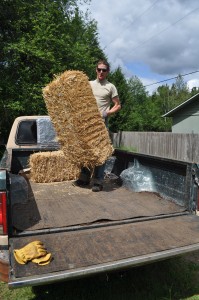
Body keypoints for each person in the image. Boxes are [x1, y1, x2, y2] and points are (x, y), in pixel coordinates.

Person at [76, 59, 121, 192]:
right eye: (99, 69)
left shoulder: (110, 87)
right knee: (86, 151)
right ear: (96, 70)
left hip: (101, 126)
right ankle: (84, 178)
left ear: (107, 72)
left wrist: (107, 113)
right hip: (87, 125)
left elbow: (118, 105)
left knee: (100, 154)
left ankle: (98, 181)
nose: (101, 72)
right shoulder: (88, 84)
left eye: (104, 70)